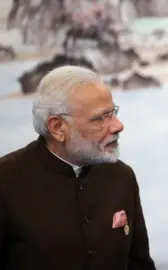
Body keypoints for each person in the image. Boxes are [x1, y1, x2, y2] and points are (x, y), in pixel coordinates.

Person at [0, 65, 156, 270]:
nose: (118, 125)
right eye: (101, 117)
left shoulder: (122, 176)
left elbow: (139, 263)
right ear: (57, 127)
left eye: (113, 112)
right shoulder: (5, 181)